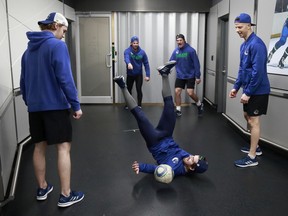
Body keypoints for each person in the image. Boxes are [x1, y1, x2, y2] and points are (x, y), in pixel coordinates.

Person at [20, 12, 84, 207]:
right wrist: (76, 105)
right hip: (55, 107)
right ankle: (65, 194)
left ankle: (42, 188)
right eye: (64, 30)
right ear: (56, 25)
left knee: (39, 147)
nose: (64, 35)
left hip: (35, 108)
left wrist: (30, 102)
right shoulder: (57, 46)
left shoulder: (27, 51)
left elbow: (23, 83)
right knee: (63, 148)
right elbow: (65, 78)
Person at [113, 60, 208, 181]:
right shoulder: (188, 158)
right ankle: (164, 74)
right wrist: (191, 157)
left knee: (139, 116)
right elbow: (189, 157)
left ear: (192, 168)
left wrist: (141, 167)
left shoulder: (175, 170)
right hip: (167, 136)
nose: (189, 156)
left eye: (191, 159)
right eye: (192, 155)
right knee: (170, 107)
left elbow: (157, 170)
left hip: (154, 142)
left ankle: (122, 85)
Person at [230, 13, 270, 167]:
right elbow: (242, 69)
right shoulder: (244, 45)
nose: (237, 30)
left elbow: (258, 72)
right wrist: (236, 87)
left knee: (254, 121)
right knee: (247, 116)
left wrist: (248, 92)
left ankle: (252, 156)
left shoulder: (256, 44)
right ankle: (256, 146)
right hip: (248, 88)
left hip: (258, 90)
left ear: (249, 25)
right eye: (235, 27)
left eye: (239, 27)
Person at [169, 34, 204, 117]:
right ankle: (178, 109)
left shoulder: (191, 50)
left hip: (190, 75)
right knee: (177, 91)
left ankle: (199, 104)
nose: (179, 42)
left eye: (180, 40)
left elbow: (196, 64)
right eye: (177, 41)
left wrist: (198, 76)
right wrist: (164, 70)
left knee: (190, 93)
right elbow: (171, 62)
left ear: (184, 40)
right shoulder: (176, 51)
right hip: (180, 75)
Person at [124, 36, 151, 108]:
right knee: (128, 90)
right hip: (130, 74)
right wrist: (129, 63)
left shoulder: (142, 52)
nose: (135, 44)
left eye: (137, 43)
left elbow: (146, 64)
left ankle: (139, 105)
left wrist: (148, 75)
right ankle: (128, 105)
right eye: (134, 43)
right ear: (131, 43)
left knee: (139, 89)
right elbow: (126, 57)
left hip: (138, 74)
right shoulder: (127, 51)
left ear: (138, 43)